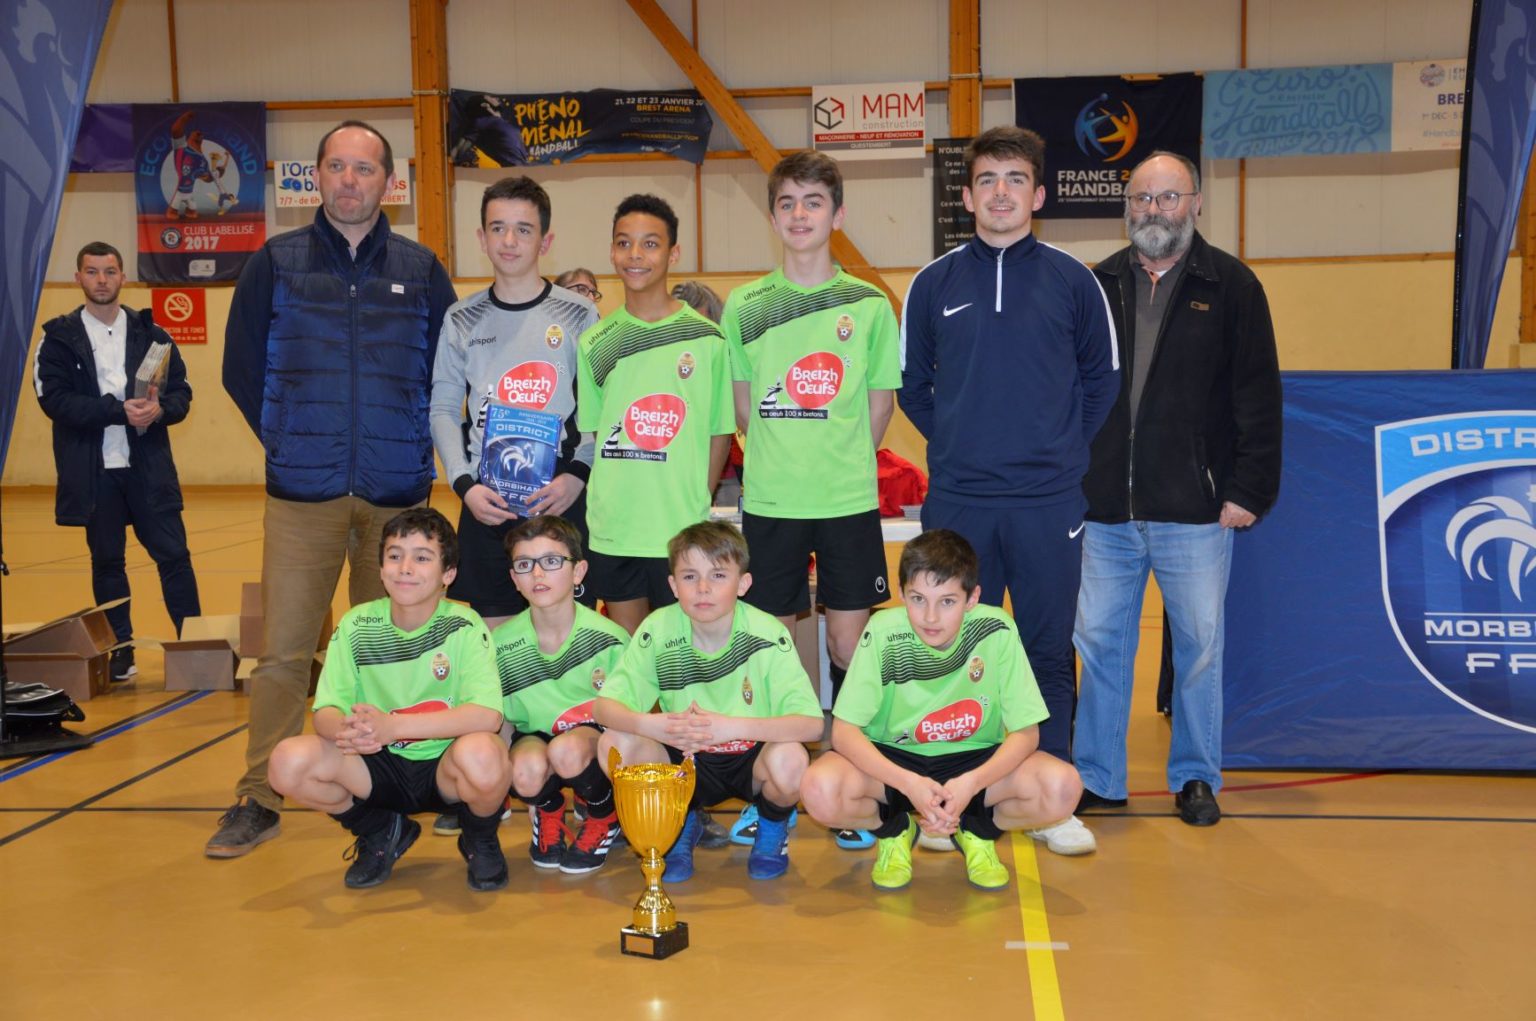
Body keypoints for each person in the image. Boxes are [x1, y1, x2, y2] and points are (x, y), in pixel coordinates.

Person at [211, 120, 459, 858]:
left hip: (397, 498)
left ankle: (393, 792)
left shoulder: (422, 270)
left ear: (390, 182)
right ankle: (258, 796)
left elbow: (448, 376)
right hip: (301, 495)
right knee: (285, 654)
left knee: (394, 650)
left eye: (366, 168)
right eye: (338, 166)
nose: (351, 180)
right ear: (315, 176)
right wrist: (290, 439)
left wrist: (411, 444)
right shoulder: (275, 262)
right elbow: (239, 368)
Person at [898, 126, 1117, 856]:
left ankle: (1051, 800)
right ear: (966, 197)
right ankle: (952, 805)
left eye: (1015, 179)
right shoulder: (933, 284)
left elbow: (1102, 380)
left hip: (1048, 502)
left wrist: (1057, 452)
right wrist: (962, 445)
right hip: (961, 501)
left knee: (1046, 650)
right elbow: (914, 387)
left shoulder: (1073, 281)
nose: (1001, 192)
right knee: (955, 651)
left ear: (1039, 194)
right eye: (987, 179)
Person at [1074, 151, 1282, 827]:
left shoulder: (1233, 286)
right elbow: (1069, 393)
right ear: (1126, 207)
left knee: (1198, 649)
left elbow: (1259, 395)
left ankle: (1195, 775)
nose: (1154, 209)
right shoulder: (1097, 284)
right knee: (1100, 645)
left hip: (1197, 509)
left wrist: (1249, 488)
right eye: (1141, 198)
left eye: (1168, 197)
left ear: (1195, 203)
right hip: (1105, 508)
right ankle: (1099, 777)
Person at [720, 151, 901, 853]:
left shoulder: (869, 305)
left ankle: (855, 786)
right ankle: (779, 792)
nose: (800, 215)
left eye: (813, 202)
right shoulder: (745, 306)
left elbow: (879, 407)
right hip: (772, 502)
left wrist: (837, 459)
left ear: (838, 214)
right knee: (776, 651)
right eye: (788, 203)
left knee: (848, 644)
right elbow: (742, 409)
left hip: (847, 499)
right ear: (773, 217)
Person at [800, 529, 1087, 891]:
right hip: (895, 759)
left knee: (1062, 787)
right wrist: (908, 783)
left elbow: (1027, 733)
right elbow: (843, 732)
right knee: (818, 789)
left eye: (947, 601)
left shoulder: (996, 629)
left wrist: (971, 784)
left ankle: (976, 829)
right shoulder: (883, 631)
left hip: (974, 758)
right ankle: (895, 830)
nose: (931, 616)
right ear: (901, 592)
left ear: (972, 598)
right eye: (918, 599)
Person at [266, 508, 512, 892]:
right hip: (375, 762)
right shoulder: (357, 624)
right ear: (381, 570)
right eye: (395, 556)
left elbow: (487, 716)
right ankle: (381, 830)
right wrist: (351, 728)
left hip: (443, 767)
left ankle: (479, 837)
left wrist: (393, 726)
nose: (405, 568)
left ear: (448, 574)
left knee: (485, 754)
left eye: (422, 557)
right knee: (287, 762)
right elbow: (325, 711)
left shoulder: (464, 626)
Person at [593, 521, 823, 882]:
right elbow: (604, 708)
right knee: (614, 745)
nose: (703, 588)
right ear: (673, 586)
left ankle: (772, 827)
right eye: (689, 577)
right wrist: (653, 725)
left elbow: (812, 724)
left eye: (718, 575)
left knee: (791, 758)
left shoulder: (767, 632)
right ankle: (677, 822)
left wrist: (730, 727)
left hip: (749, 757)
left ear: (743, 584)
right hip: (684, 758)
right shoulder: (658, 628)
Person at [430, 176, 599, 629]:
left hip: (560, 496)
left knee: (568, 638)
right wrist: (464, 484)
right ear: (481, 238)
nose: (509, 241)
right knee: (499, 644)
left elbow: (598, 407)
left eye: (523, 229)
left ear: (546, 241)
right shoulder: (461, 318)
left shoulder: (579, 314)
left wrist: (577, 476)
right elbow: (443, 408)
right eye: (498, 228)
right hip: (486, 500)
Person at [34, 241, 201, 682]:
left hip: (149, 468)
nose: (101, 280)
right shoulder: (57, 338)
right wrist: (116, 411)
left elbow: (182, 392)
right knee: (107, 563)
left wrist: (160, 410)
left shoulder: (154, 334)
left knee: (175, 557)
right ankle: (121, 651)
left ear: (123, 276)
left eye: (109, 271)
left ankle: (194, 647)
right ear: (78, 278)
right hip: (93, 472)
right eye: (92, 272)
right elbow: (53, 399)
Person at [575, 195, 735, 635]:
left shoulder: (708, 339)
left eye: (650, 244)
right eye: (624, 243)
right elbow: (597, 435)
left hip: (679, 530)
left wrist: (696, 503)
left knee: (681, 651)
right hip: (615, 530)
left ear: (673, 253)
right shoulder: (594, 343)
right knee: (632, 653)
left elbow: (719, 433)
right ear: (612, 252)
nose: (635, 255)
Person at [488, 515, 630, 874]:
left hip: (593, 741)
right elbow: (500, 723)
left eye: (551, 561)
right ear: (514, 578)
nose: (538, 574)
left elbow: (630, 722)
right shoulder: (498, 645)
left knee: (566, 750)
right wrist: (500, 776)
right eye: (525, 564)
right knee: (524, 769)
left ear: (578, 571)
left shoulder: (610, 639)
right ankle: (549, 809)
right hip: (534, 736)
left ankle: (604, 812)